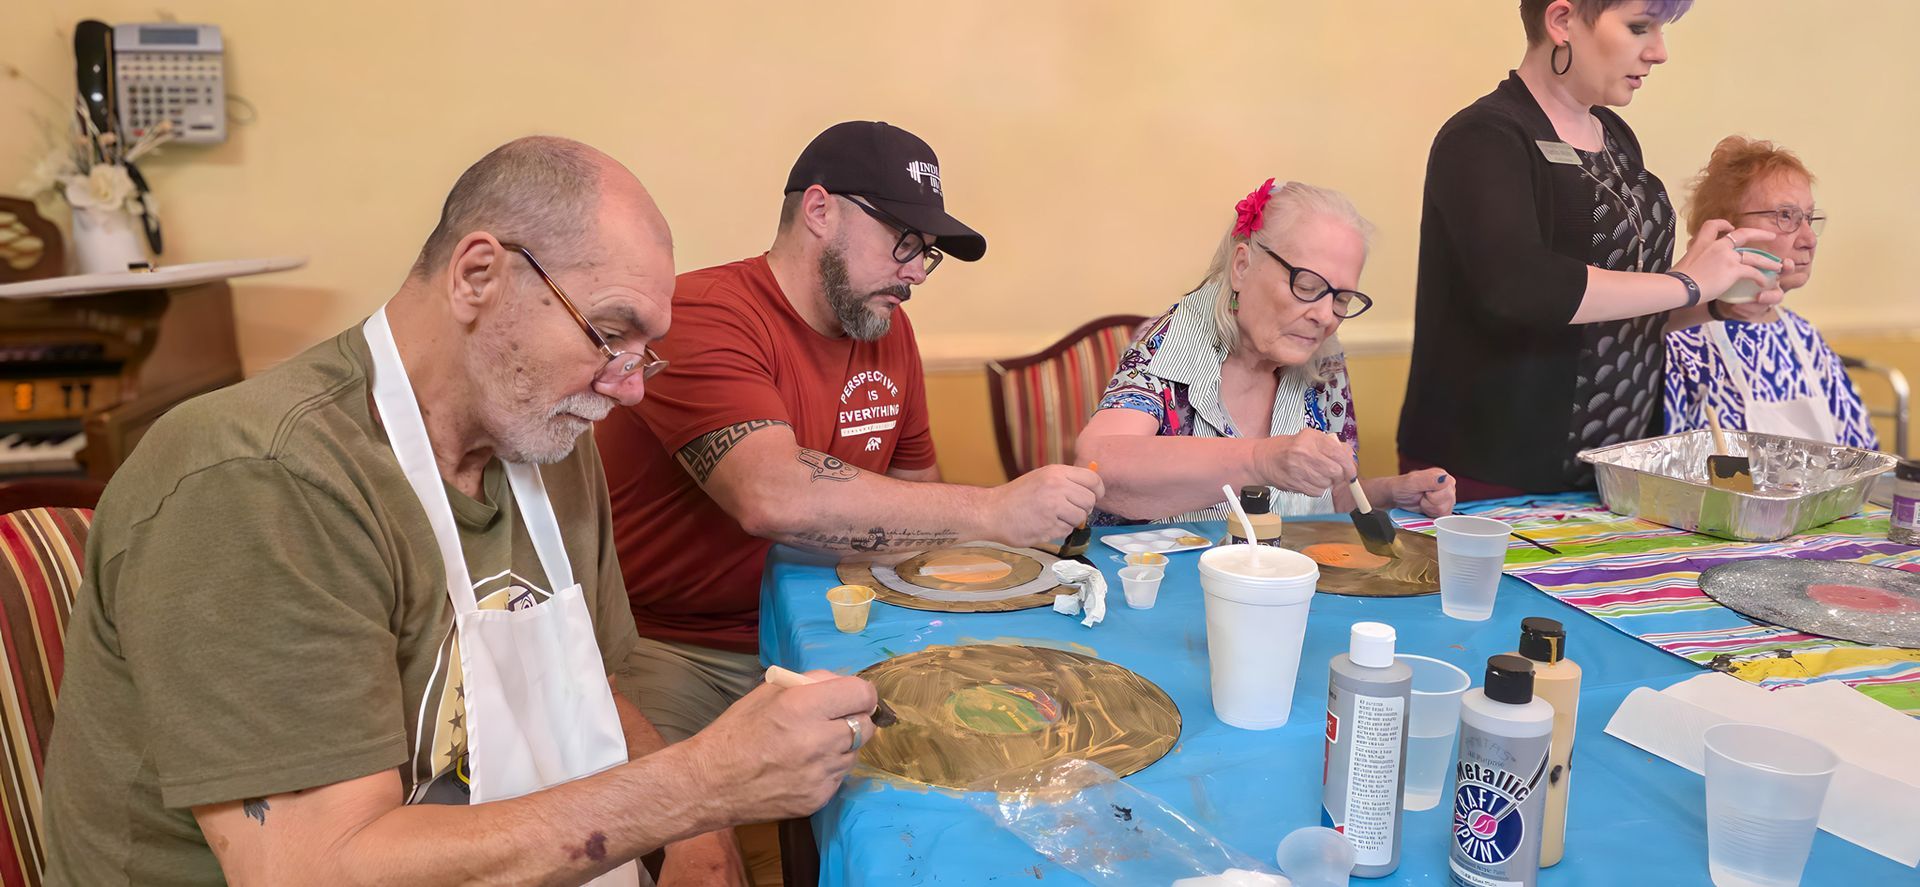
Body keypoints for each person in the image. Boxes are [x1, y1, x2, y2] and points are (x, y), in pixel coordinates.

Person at [42, 137, 874, 887]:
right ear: (478, 275)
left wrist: (701, 837)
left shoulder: (551, 445)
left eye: (643, 351)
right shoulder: (261, 480)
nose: (628, 386)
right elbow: (312, 871)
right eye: (607, 331)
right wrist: (700, 785)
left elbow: (594, 691)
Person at [595, 121, 1101, 741]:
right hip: (683, 651)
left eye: (927, 253)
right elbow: (772, 495)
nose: (916, 272)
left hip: (838, 624)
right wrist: (997, 508)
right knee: (691, 833)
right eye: (905, 241)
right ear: (819, 210)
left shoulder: (886, 331)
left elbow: (919, 505)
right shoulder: (704, 313)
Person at [1398, 0, 1789, 500]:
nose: (1659, 52)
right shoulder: (1484, 137)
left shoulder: (1616, 138)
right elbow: (1520, 290)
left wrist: (1713, 302)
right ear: (1561, 22)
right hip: (1495, 466)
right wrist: (1686, 282)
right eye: (1639, 27)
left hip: (1614, 465)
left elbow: (1615, 309)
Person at [1077, 178, 1457, 523]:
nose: (1325, 316)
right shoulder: (1170, 342)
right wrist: (1261, 459)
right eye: (1306, 285)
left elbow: (1329, 499)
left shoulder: (1324, 357)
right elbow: (1100, 463)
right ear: (1242, 266)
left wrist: (1390, 493)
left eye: (1342, 298)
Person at [1663, 136, 1876, 447]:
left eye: (1808, 218)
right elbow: (1671, 475)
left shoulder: (1806, 340)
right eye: (1785, 216)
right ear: (1726, 231)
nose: (1809, 239)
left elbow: (1862, 458)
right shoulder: (1683, 340)